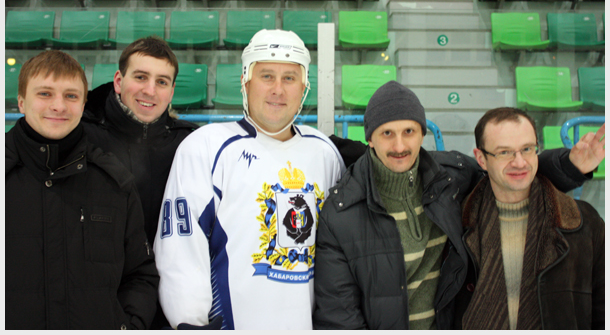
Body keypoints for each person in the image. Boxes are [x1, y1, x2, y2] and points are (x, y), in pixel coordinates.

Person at [313, 81, 600, 330]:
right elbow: (339, 316)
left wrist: (570, 165)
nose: (399, 145)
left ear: (422, 134)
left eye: (409, 131)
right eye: (387, 133)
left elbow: (510, 172)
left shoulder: (449, 180)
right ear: (370, 139)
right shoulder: (341, 212)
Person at [153, 29, 345, 330]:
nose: (278, 90)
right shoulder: (205, 147)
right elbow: (180, 251)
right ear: (246, 81)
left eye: (289, 78)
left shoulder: (325, 153)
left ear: (304, 87)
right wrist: (192, 326)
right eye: (267, 76)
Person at [5, 50, 159, 329]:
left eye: (71, 96)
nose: (59, 106)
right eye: (45, 94)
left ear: (83, 103)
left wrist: (129, 327)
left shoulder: (114, 182)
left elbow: (139, 274)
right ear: (21, 101)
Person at [81, 36, 197, 329]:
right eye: (141, 77)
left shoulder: (192, 144)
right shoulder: (81, 137)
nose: (150, 90)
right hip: (99, 304)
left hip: (172, 307)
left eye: (161, 81)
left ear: (172, 91)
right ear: (119, 81)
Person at [455, 107, 604, 330]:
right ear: (481, 159)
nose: (519, 162)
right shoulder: (456, 223)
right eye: (504, 152)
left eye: (527, 149)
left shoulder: (584, 222)